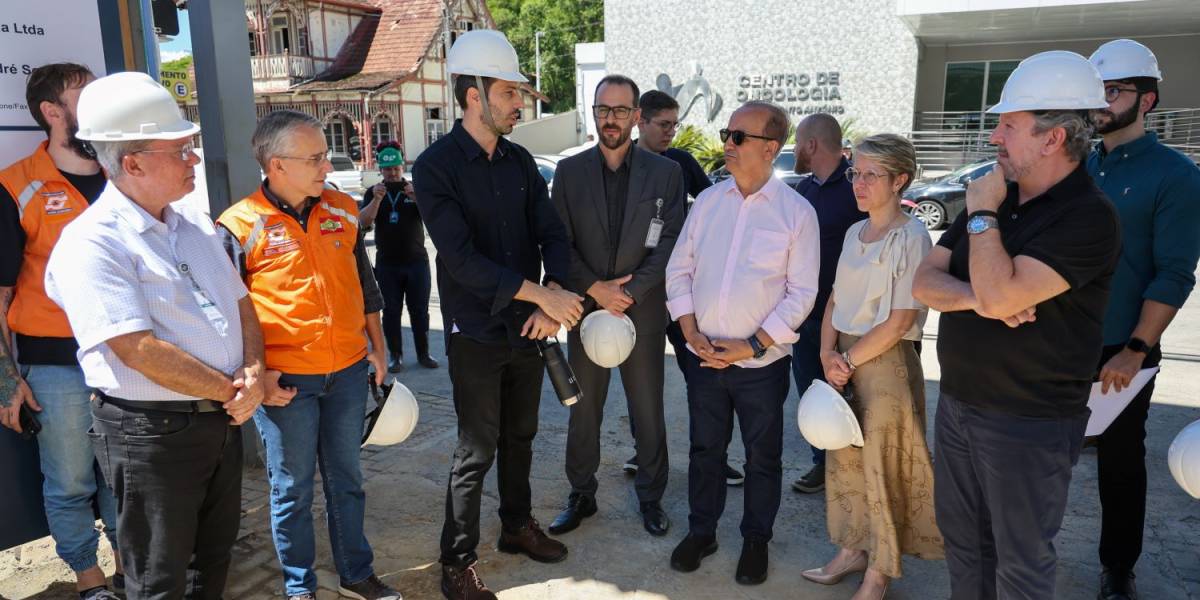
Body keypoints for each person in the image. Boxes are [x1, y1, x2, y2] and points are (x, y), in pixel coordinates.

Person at [44, 71, 263, 600]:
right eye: (181, 150)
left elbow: (240, 305)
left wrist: (252, 371)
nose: (194, 160)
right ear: (133, 162)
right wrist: (234, 391)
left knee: (210, 563)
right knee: (158, 579)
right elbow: (135, 349)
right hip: (152, 433)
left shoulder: (191, 223)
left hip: (219, 420)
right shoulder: (91, 243)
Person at [912, 51, 1120, 600]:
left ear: (1052, 138)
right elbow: (923, 282)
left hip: (1028, 422)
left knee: (1020, 565)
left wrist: (980, 220)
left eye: (1008, 125)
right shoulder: (999, 195)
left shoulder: (1087, 216)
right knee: (964, 546)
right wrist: (981, 300)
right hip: (958, 404)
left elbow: (1002, 288)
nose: (994, 137)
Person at [412, 30, 582, 600]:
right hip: (476, 331)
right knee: (475, 449)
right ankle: (456, 563)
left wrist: (552, 292)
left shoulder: (521, 163)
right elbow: (460, 260)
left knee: (523, 436)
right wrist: (540, 295)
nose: (519, 103)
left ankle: (515, 527)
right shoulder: (434, 167)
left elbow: (552, 233)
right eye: (510, 91)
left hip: (528, 328)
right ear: (474, 96)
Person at [216, 110, 399, 600]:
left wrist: (377, 349)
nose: (327, 166)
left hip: (345, 373)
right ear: (276, 165)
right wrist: (257, 378)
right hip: (285, 386)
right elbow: (226, 315)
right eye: (315, 158)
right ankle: (300, 589)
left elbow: (364, 286)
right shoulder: (238, 226)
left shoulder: (341, 209)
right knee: (292, 490)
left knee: (348, 481)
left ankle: (357, 575)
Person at [665, 101, 819, 585]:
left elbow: (803, 294)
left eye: (738, 136)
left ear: (771, 148)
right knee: (705, 450)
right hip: (703, 358)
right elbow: (679, 270)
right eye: (727, 134)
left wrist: (752, 345)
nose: (726, 144)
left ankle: (756, 541)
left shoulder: (797, 213)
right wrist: (689, 330)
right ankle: (702, 531)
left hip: (762, 366)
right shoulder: (709, 202)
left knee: (762, 459)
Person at [0, 62, 123, 599]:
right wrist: (7, 379)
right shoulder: (15, 186)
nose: (97, 100)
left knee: (127, 477)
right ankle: (90, 581)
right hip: (54, 365)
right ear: (53, 112)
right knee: (71, 481)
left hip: (128, 356)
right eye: (83, 94)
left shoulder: (125, 175)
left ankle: (138, 571)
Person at [801, 134, 942, 599]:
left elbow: (902, 318)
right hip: (843, 354)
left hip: (885, 363)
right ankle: (851, 550)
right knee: (844, 459)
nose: (858, 184)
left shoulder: (912, 236)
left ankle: (880, 571)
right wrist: (826, 354)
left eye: (870, 175)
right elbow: (835, 300)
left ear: (900, 180)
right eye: (855, 173)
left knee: (882, 466)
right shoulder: (852, 232)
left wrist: (844, 359)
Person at [547, 75, 686, 538]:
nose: (612, 118)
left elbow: (670, 242)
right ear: (594, 113)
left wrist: (630, 293)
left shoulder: (665, 173)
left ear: (636, 117)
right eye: (603, 109)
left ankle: (651, 497)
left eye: (621, 110)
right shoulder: (569, 173)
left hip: (640, 311)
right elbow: (558, 242)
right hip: (584, 311)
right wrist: (594, 289)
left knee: (647, 408)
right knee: (583, 408)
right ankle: (581, 493)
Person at [1086, 39, 1200, 600]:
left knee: (1120, 463)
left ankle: (1117, 568)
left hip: (1121, 348)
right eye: (1098, 90)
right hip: (1058, 342)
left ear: (1147, 100)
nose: (1102, 101)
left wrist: (1135, 348)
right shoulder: (1078, 163)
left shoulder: (1176, 175)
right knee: (1038, 451)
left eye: (1115, 90)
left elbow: (1175, 274)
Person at [633, 89, 745, 487]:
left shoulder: (680, 162)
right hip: (641, 295)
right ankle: (642, 452)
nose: (670, 132)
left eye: (674, 125)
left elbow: (716, 198)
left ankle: (717, 457)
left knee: (705, 376)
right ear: (640, 121)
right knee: (642, 381)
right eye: (663, 125)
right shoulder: (624, 162)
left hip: (685, 295)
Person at [787, 113, 867, 495]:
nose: (795, 149)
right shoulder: (803, 190)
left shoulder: (858, 185)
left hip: (851, 317)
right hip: (805, 314)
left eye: (798, 141)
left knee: (855, 392)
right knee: (812, 389)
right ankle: (824, 464)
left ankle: (859, 470)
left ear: (811, 145)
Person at [359, 140, 438, 372]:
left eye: (395, 168)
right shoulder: (374, 192)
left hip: (416, 263)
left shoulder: (414, 189)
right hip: (387, 265)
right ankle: (396, 356)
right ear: (380, 170)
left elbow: (433, 218)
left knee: (420, 311)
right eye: (387, 169)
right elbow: (363, 223)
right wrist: (376, 200)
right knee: (391, 312)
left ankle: (424, 354)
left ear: (401, 167)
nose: (392, 173)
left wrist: (416, 198)